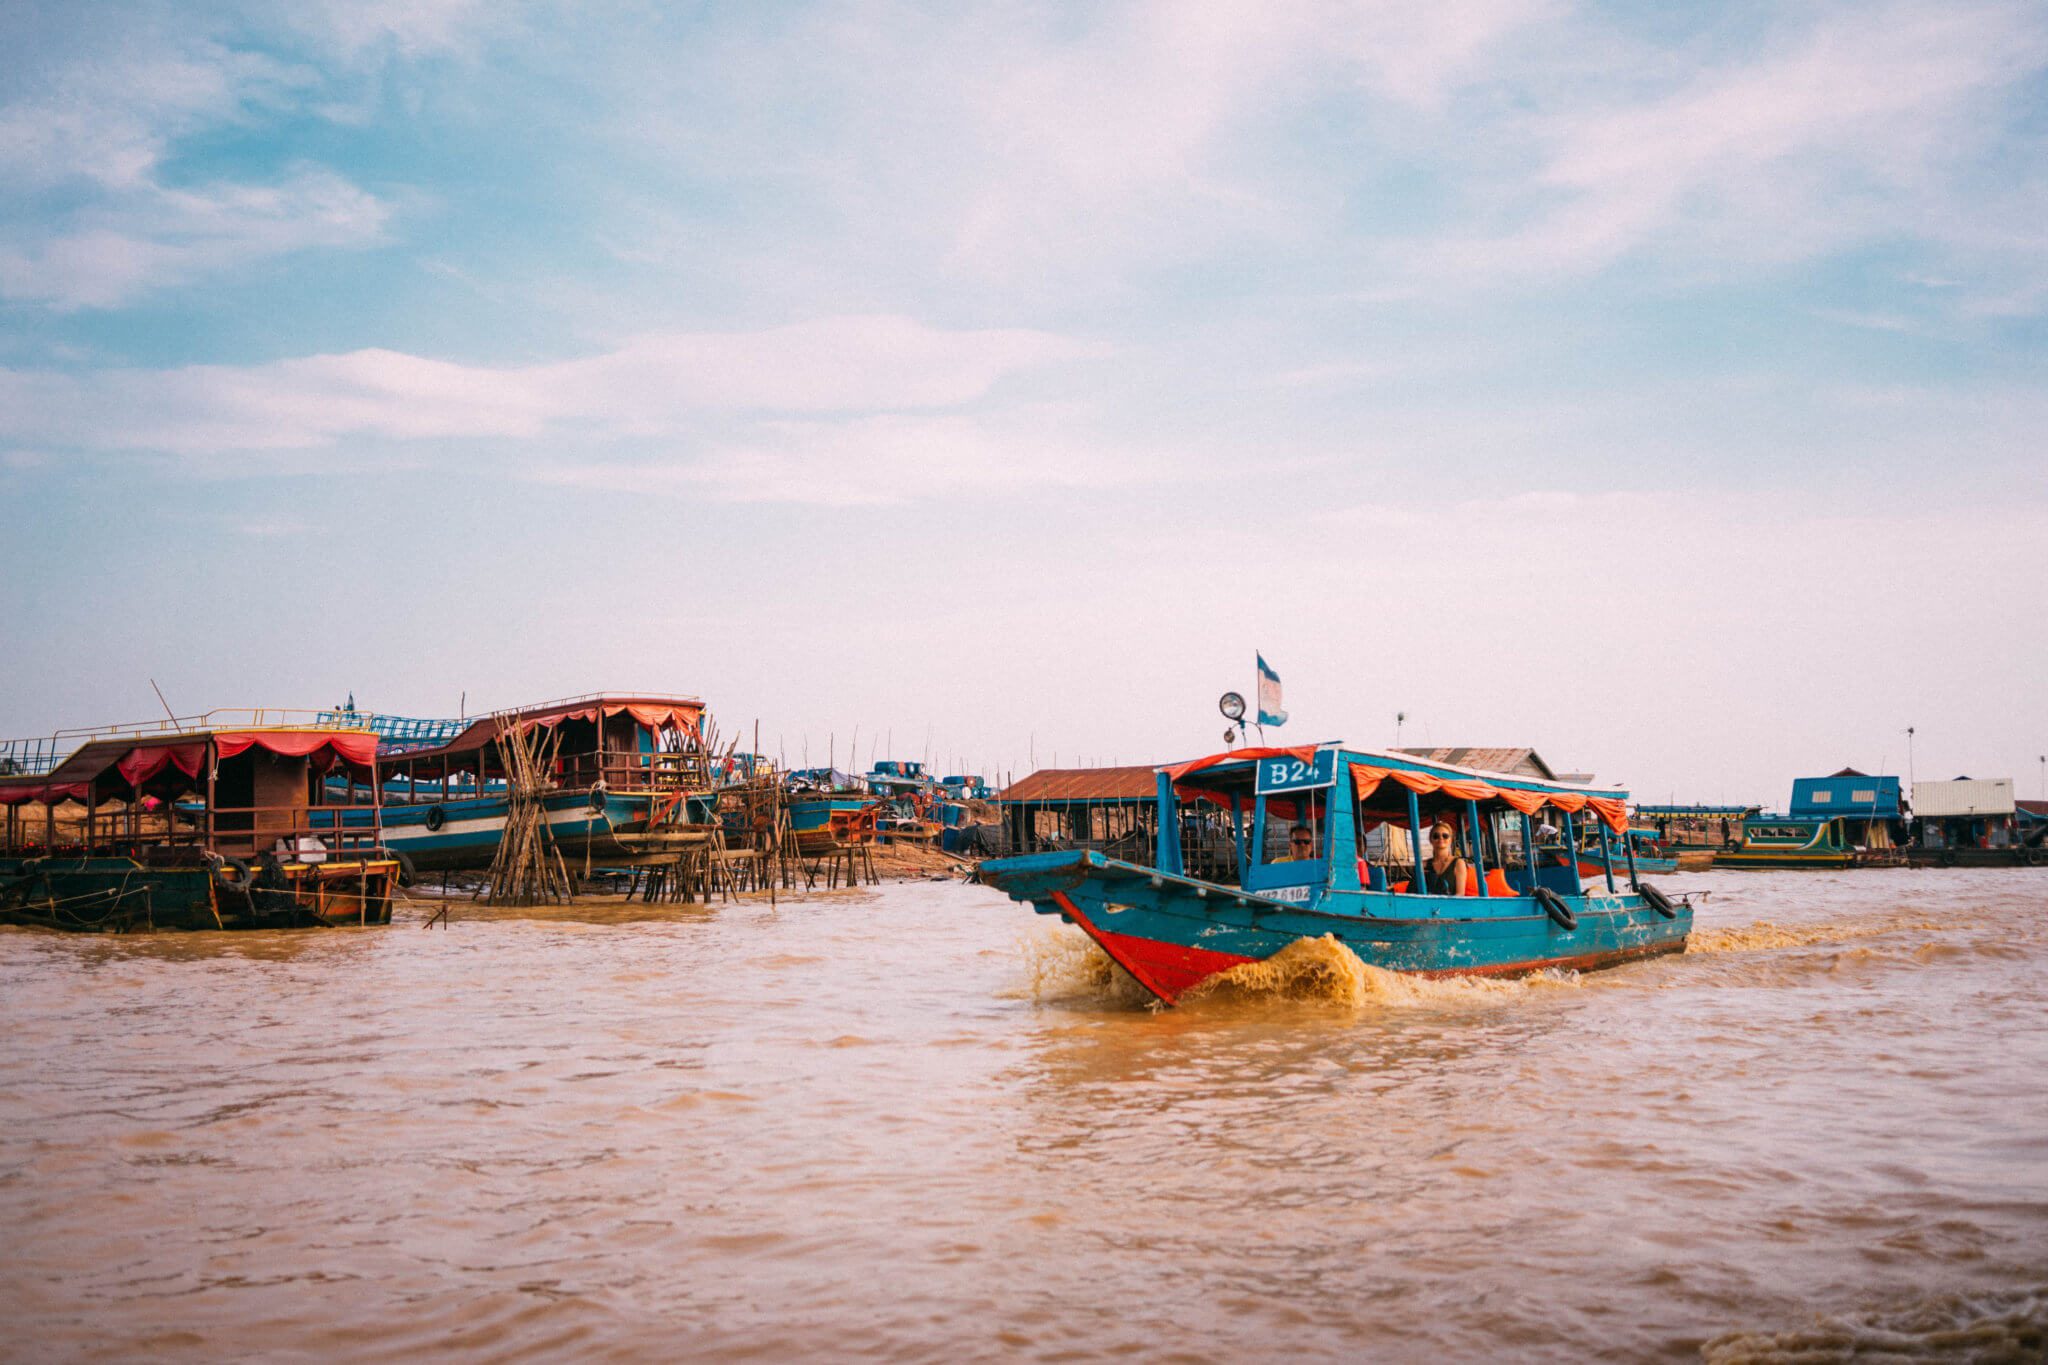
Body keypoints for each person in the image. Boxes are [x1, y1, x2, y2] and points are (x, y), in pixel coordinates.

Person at [1422, 818, 1468, 895]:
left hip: (1451, 905)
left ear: (1450, 840)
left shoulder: (1459, 864)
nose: (1441, 838)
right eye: (1436, 836)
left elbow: (1460, 894)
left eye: (1445, 836)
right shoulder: (1423, 865)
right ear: (1431, 839)